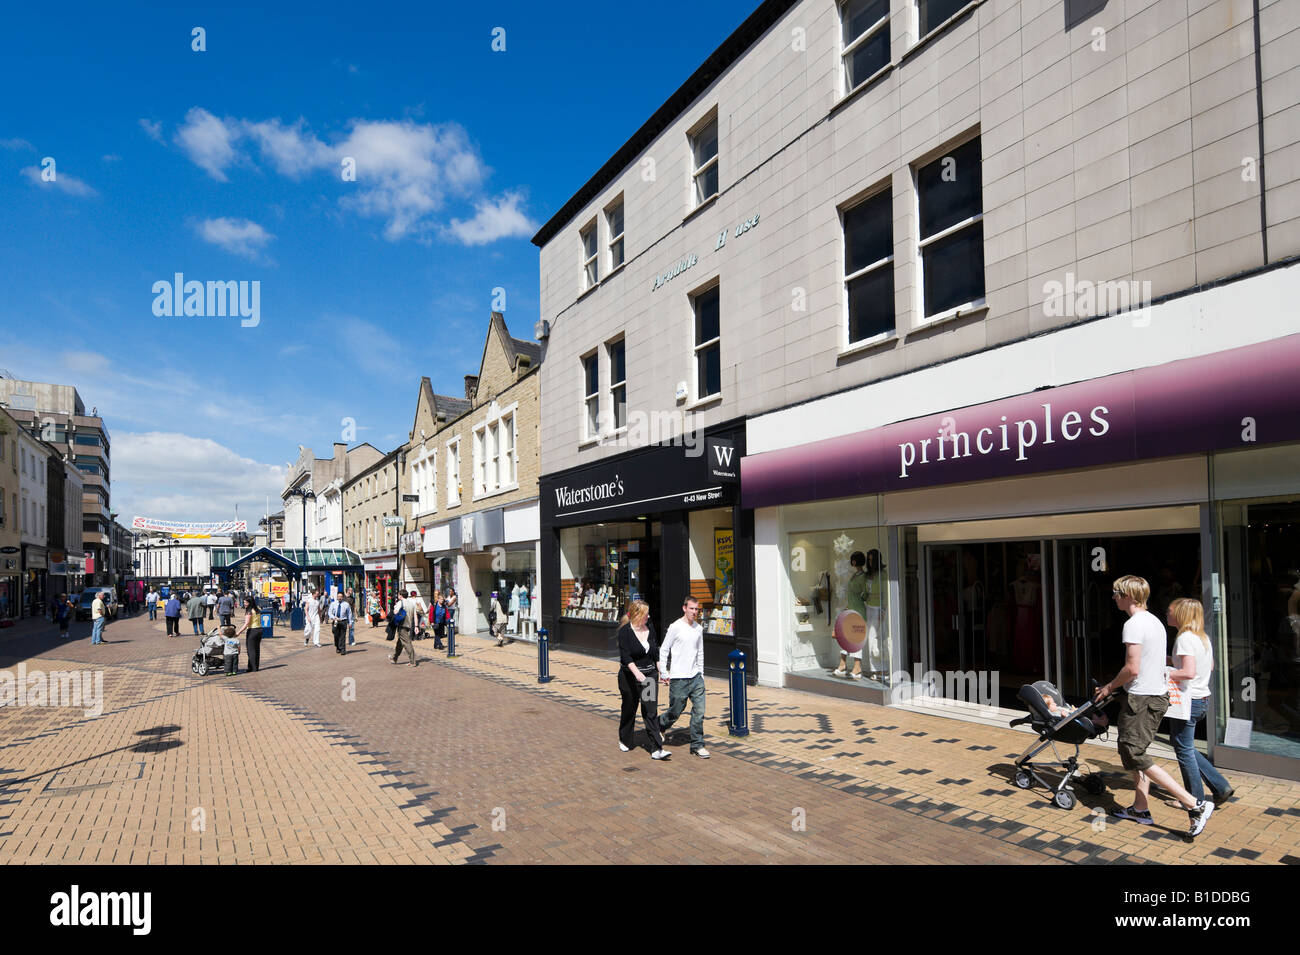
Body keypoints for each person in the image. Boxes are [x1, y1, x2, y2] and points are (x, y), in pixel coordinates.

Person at [1095, 575, 1214, 837]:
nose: (1113, 597)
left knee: (1133, 752)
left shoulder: (1134, 624)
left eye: (1116, 592)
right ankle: (1140, 808)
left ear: (1128, 595)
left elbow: (1132, 668)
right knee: (1136, 751)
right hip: (1154, 696)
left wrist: (1108, 687)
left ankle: (1195, 805)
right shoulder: (1155, 622)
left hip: (1143, 698)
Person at [1166, 597, 1234, 805]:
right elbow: (1210, 665)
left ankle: (1194, 799)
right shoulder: (1201, 637)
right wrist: (1173, 661)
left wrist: (1166, 671)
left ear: (1180, 615)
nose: (1167, 613)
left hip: (1189, 700)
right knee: (1184, 745)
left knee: (1183, 748)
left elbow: (1188, 672)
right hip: (1202, 698)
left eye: (1170, 610)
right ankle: (1220, 786)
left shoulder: (1185, 638)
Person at [616, 599, 669, 760]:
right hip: (629, 678)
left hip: (649, 677)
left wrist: (662, 671)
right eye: (645, 614)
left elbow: (655, 653)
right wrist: (637, 673)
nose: (648, 616)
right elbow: (626, 657)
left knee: (650, 711)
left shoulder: (650, 627)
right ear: (638, 615)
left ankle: (656, 748)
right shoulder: (625, 632)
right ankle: (625, 739)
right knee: (629, 708)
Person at [659, 595, 709, 758]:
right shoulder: (675, 627)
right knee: (675, 711)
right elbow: (664, 649)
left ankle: (697, 744)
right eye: (692, 608)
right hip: (678, 678)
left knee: (699, 711)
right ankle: (659, 724)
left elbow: (700, 652)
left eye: (696, 609)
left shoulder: (698, 628)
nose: (694, 612)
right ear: (684, 608)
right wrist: (665, 672)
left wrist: (701, 673)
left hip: (695, 677)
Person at [836, 550, 870, 679]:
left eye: (852, 560)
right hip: (851, 610)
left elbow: (866, 593)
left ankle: (857, 667)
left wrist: (862, 599)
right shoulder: (856, 575)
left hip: (859, 611)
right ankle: (843, 664)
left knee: (856, 639)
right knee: (846, 637)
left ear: (854, 561)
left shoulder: (862, 577)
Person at [389, 588, 424, 667]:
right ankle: (395, 657)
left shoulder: (400, 603)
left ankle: (412, 661)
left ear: (401, 595)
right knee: (400, 642)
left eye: (398, 595)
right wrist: (416, 626)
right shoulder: (412, 603)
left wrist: (394, 611)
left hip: (402, 625)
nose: (398, 596)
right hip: (409, 625)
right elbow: (415, 615)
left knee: (407, 643)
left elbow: (395, 612)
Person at [236, 596, 264, 672]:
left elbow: (246, 623)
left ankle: (252, 668)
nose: (244, 604)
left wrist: (238, 632)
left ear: (250, 603)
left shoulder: (249, 611)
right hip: (259, 630)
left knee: (251, 650)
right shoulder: (257, 609)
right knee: (256, 649)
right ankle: (254, 667)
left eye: (246, 602)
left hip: (252, 630)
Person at [329, 590, 354, 655]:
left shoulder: (346, 604)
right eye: (338, 596)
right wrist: (333, 617)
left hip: (343, 621)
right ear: (337, 597)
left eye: (341, 596)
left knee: (343, 636)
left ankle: (343, 649)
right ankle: (337, 646)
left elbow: (349, 613)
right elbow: (330, 612)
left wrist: (350, 622)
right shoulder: (333, 604)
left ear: (343, 597)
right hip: (335, 621)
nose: (339, 597)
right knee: (336, 634)